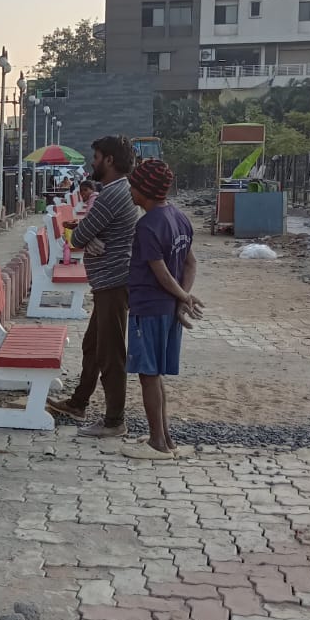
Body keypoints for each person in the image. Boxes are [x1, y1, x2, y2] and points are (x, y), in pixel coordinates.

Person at [46, 136, 138, 437]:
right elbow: (84, 234)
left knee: (110, 353)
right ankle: (78, 402)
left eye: (96, 157)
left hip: (113, 282)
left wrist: (85, 237)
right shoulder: (119, 191)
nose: (92, 163)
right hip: (108, 282)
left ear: (109, 160)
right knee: (93, 346)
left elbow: (78, 235)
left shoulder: (111, 195)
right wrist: (87, 237)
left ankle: (114, 421)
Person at [125, 159, 200, 459]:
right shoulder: (179, 218)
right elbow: (190, 264)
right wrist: (182, 297)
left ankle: (157, 442)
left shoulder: (147, 226)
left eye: (133, 185)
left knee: (148, 374)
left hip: (148, 306)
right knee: (155, 374)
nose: (130, 190)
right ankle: (165, 438)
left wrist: (183, 296)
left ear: (145, 189)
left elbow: (162, 273)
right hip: (167, 308)